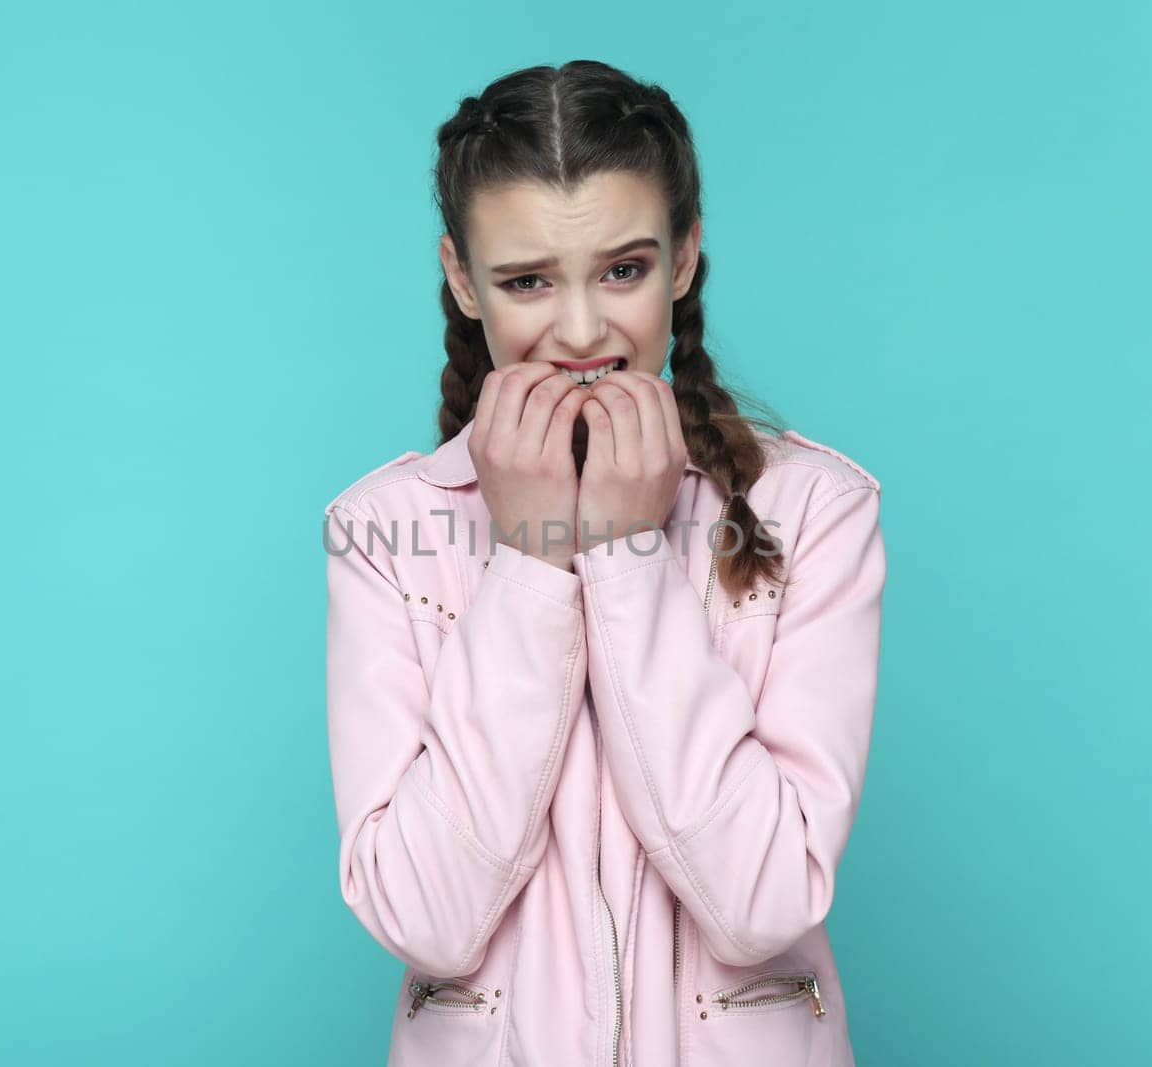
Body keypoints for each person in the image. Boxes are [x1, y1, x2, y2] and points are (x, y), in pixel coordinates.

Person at [322, 59, 887, 1066]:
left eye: (622, 269)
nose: (581, 333)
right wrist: (534, 562)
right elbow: (424, 917)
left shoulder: (813, 511)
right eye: (527, 280)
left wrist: (628, 557)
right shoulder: (382, 529)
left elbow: (761, 899)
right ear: (460, 278)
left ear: (682, 260)